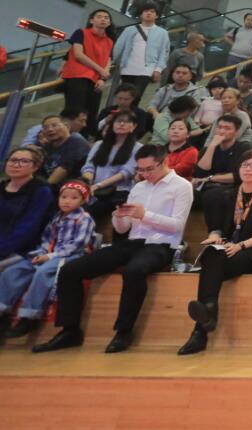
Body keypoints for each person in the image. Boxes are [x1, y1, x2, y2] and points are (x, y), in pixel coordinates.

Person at [35, 144, 192, 354]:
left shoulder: (181, 186)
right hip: (132, 242)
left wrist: (145, 215)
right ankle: (69, 330)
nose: (144, 174)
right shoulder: (139, 187)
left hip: (162, 244)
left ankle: (123, 331)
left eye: (149, 169)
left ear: (164, 162)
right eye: (141, 169)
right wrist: (118, 217)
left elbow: (177, 225)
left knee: (134, 270)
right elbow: (123, 228)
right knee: (70, 270)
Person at [177, 149, 252, 355]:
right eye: (244, 165)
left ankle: (201, 330)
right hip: (227, 250)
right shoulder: (227, 195)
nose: (248, 169)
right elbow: (217, 228)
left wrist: (240, 246)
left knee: (211, 266)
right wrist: (214, 237)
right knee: (211, 253)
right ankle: (207, 314)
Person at [0, 180, 94, 340]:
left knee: (43, 273)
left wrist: (50, 256)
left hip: (69, 256)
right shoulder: (56, 218)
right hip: (49, 252)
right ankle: (3, 310)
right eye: (64, 197)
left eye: (74, 198)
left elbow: (77, 245)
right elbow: (46, 239)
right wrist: (40, 253)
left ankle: (29, 316)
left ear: (83, 200)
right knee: (14, 270)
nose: (67, 201)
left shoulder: (84, 219)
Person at [60, 9, 114, 138]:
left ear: (109, 22)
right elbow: (78, 55)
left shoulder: (109, 41)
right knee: (74, 113)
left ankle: (82, 140)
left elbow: (108, 60)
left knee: (91, 114)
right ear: (91, 20)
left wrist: (102, 78)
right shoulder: (81, 33)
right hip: (78, 76)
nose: (103, 19)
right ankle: (67, 138)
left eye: (106, 17)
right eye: (99, 16)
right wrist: (100, 70)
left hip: (96, 80)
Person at [1, 146, 55, 269]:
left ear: (35, 167)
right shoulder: (2, 186)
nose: (16, 165)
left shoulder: (42, 191)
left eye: (24, 161)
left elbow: (28, 228)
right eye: (13, 160)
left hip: (21, 248)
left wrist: (2, 249)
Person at [82, 111, 140, 222]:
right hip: (93, 187)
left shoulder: (138, 148)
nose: (121, 124)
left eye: (126, 122)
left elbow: (125, 173)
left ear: (134, 126)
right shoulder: (99, 144)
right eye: (118, 121)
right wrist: (88, 183)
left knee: (89, 212)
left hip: (118, 191)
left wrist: (98, 186)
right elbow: (89, 166)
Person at [111, 3, 171, 103]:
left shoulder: (162, 33)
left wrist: (158, 69)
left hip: (146, 69)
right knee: (125, 96)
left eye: (152, 11)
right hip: (127, 68)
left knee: (136, 96)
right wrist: (111, 62)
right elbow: (118, 47)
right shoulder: (129, 30)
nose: (148, 13)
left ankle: (130, 113)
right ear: (141, 14)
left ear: (156, 16)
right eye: (146, 11)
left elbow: (164, 52)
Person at [37, 114, 90, 186]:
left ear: (67, 126)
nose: (50, 129)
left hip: (72, 187)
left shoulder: (77, 142)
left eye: (54, 125)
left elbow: (64, 169)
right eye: (45, 128)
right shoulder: (47, 147)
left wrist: (43, 188)